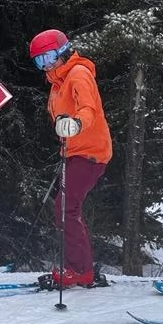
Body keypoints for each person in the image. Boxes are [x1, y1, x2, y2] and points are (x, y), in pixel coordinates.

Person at [29, 29, 113, 288]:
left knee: (65, 208)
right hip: (75, 151)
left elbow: (88, 107)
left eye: (50, 57)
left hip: (90, 151)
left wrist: (76, 124)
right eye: (39, 61)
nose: (46, 65)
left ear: (64, 51)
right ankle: (80, 267)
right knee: (65, 207)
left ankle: (80, 271)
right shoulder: (58, 82)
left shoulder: (78, 74)